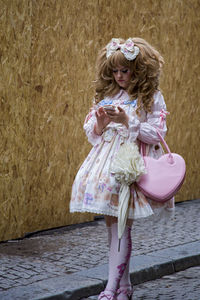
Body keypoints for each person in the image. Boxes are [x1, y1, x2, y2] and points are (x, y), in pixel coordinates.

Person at [70, 37, 174, 300]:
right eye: (114, 71)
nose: (119, 76)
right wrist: (102, 122)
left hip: (128, 167)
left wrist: (129, 120)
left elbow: (157, 134)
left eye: (124, 70)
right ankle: (123, 286)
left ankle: (110, 288)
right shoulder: (109, 95)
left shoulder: (151, 97)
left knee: (121, 227)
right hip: (105, 168)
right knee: (113, 227)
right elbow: (93, 134)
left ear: (137, 69)